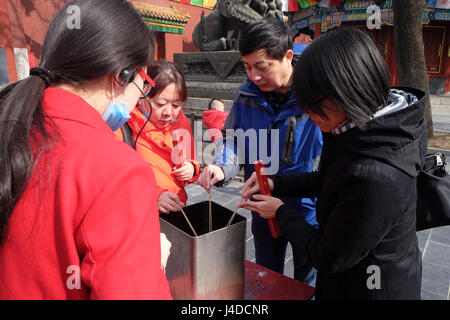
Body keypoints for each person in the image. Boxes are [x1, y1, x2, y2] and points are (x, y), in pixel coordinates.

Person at [0, 0, 172, 299]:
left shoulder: (11, 122)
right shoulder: (117, 169)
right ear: (122, 74)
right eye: (144, 83)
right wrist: (150, 267)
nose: (141, 98)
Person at [239, 28, 424, 300]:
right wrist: (277, 183)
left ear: (347, 93)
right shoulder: (354, 128)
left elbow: (327, 256)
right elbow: (329, 178)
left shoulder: (376, 174)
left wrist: (280, 212)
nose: (310, 117)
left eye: (314, 108)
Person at [197, 17, 323, 286]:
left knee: (308, 280)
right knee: (267, 277)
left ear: (287, 57)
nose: (253, 76)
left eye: (261, 67)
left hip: (308, 209)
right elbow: (233, 140)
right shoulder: (246, 96)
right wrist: (221, 166)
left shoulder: (316, 93)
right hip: (262, 204)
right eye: (247, 67)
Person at [114, 60, 200, 214]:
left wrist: (192, 169)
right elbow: (116, 177)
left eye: (176, 105)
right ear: (142, 96)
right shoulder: (122, 125)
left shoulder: (182, 122)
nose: (168, 113)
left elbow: (189, 159)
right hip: (142, 212)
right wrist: (153, 195)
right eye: (160, 104)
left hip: (176, 207)